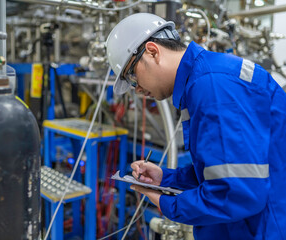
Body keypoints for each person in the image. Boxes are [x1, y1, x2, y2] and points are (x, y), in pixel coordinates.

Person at [106, 13, 286, 240]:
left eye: (132, 77)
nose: (137, 89)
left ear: (152, 52)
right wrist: (166, 179)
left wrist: (167, 204)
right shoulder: (202, 80)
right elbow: (223, 170)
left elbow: (240, 193)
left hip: (263, 230)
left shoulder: (211, 86)